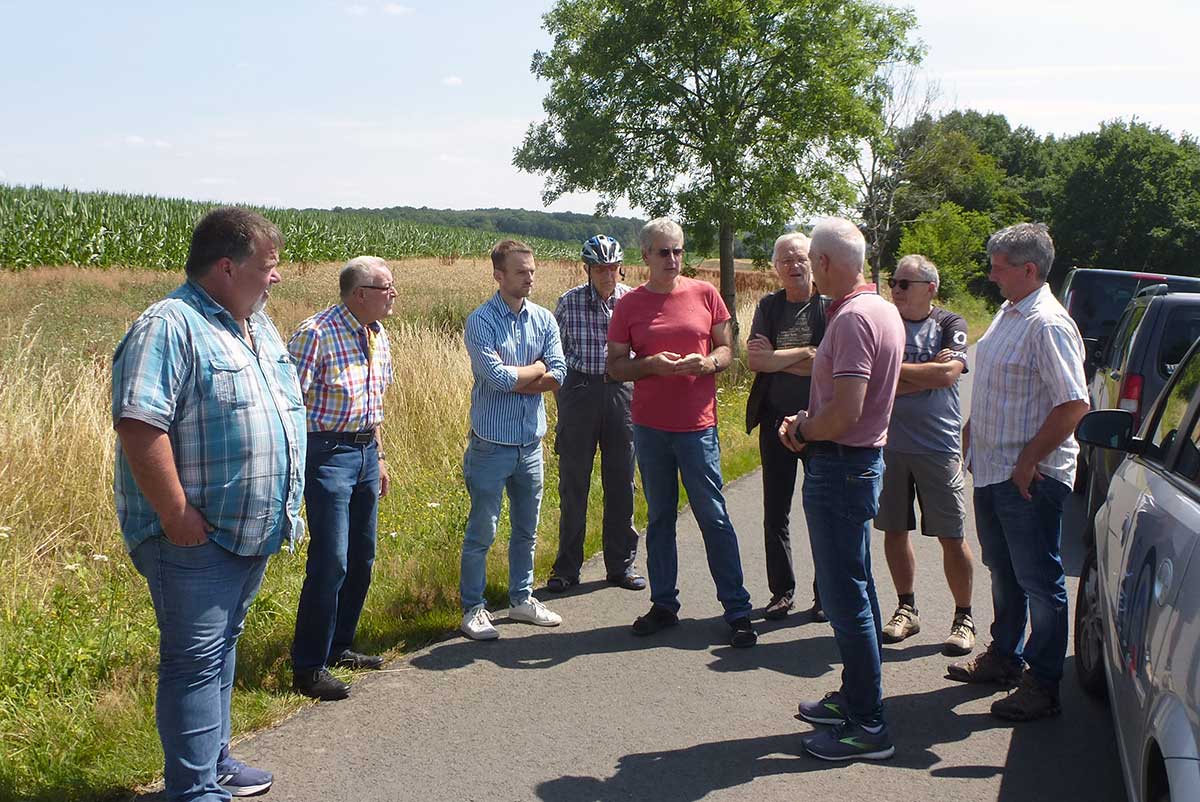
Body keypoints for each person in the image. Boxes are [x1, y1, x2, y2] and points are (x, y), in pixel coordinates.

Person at [112, 207, 306, 801]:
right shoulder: (169, 326)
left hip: (248, 530)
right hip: (192, 538)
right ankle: (193, 789)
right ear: (227, 267)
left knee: (222, 647)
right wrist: (175, 515)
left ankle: (214, 761)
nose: (275, 278)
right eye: (267, 267)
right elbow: (141, 425)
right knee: (194, 661)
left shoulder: (256, 324)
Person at [949, 223, 1089, 721]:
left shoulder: (1047, 322)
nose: (991, 274)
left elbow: (1073, 404)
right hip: (994, 470)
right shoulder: (1012, 312)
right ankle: (1004, 658)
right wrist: (970, 432)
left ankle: (1043, 684)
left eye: (999, 266)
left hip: (1027, 478)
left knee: (1039, 582)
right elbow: (997, 386)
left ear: (1028, 270)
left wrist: (1029, 461)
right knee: (1004, 574)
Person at [779, 217, 904, 761]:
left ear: (827, 263)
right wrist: (812, 419)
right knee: (857, 586)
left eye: (814, 260)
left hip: (841, 464)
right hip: (854, 462)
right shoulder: (881, 309)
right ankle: (857, 697)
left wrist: (804, 429)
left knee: (844, 595)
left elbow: (848, 412)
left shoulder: (853, 319)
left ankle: (869, 724)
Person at [607, 217, 757, 649]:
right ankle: (664, 604)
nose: (672, 259)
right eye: (663, 252)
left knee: (713, 516)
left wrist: (709, 363)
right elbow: (615, 367)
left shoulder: (705, 294)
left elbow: (727, 349)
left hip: (697, 426)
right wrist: (651, 365)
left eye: (677, 251)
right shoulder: (630, 305)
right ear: (645, 257)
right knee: (659, 519)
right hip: (651, 428)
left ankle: (737, 610)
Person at [288, 256, 396, 701]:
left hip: (365, 450)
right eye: (386, 286)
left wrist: (381, 456)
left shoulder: (376, 333)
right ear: (359, 294)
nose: (393, 294)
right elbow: (289, 405)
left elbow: (374, 403)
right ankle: (309, 665)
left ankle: (339, 645)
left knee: (362, 555)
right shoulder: (315, 334)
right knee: (330, 559)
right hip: (327, 453)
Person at [459, 240, 568, 640]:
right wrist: (536, 370)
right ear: (498, 275)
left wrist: (526, 373)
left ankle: (521, 599)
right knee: (482, 530)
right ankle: (473, 608)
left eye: (532, 270)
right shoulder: (481, 320)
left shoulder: (543, 319)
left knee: (527, 528)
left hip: (530, 444)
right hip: (491, 444)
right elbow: (496, 378)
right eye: (521, 271)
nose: (530, 277)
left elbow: (560, 372)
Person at [874, 255, 976, 657]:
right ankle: (906, 608)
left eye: (904, 283)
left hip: (938, 446)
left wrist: (892, 378)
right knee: (894, 531)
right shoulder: (885, 320)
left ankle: (963, 617)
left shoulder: (950, 324)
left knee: (952, 535)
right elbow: (870, 376)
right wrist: (921, 374)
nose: (895, 289)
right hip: (890, 446)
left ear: (930, 288)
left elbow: (947, 374)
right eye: (893, 282)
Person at [546, 235, 644, 593]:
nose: (607, 275)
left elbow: (643, 350)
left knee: (621, 482)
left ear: (621, 268)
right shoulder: (568, 303)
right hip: (580, 389)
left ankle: (621, 565)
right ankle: (567, 568)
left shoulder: (632, 301)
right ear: (587, 269)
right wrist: (564, 399)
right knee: (575, 484)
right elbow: (555, 355)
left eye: (612, 268)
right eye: (599, 269)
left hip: (620, 391)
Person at [745, 232, 829, 621]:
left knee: (822, 511)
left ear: (812, 262)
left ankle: (824, 594)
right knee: (775, 510)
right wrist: (804, 354)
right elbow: (756, 361)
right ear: (776, 268)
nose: (794, 267)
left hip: (821, 422)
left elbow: (826, 362)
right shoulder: (769, 306)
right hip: (773, 421)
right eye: (786, 261)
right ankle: (782, 591)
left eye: (800, 259)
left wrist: (779, 356)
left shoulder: (829, 307)